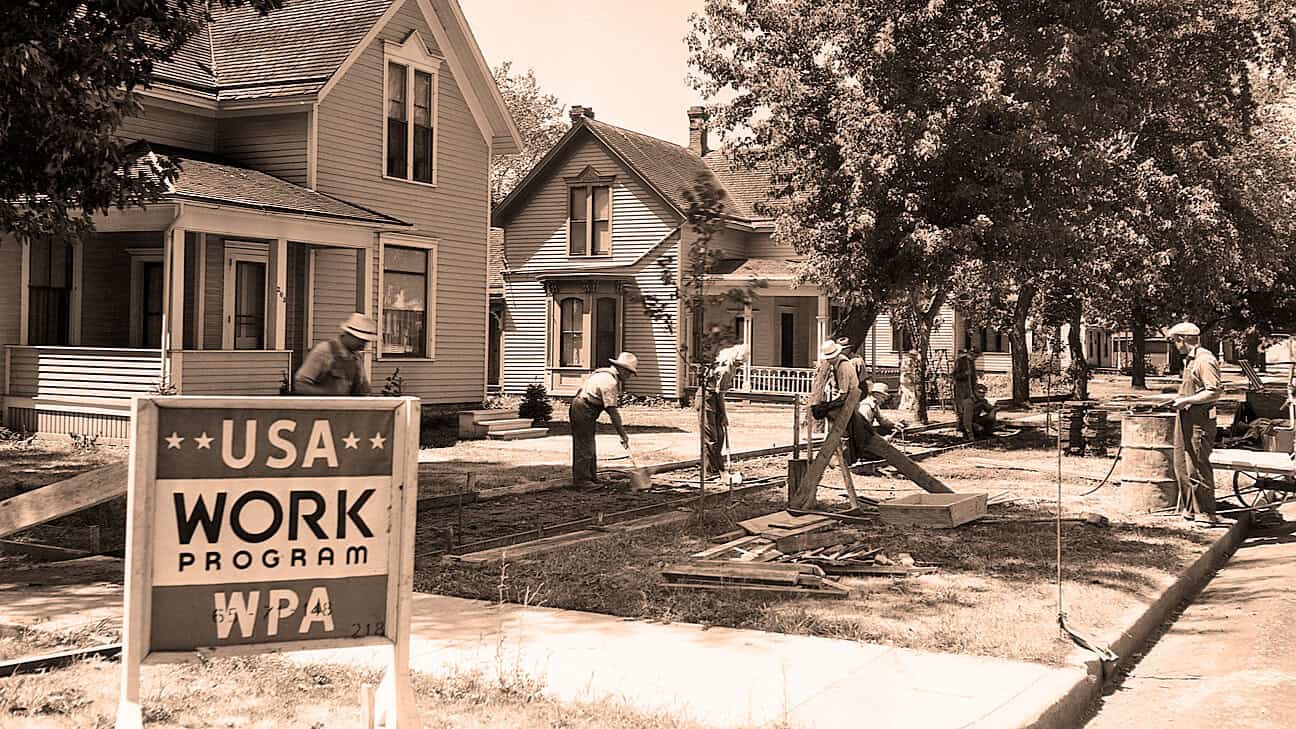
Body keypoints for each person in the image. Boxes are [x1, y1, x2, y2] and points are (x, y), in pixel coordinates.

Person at [1167, 322, 1223, 525]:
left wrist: (1186, 400)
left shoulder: (1204, 360)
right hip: (1187, 418)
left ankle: (1206, 513)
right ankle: (1190, 509)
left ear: (1181, 339)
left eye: (1174, 341)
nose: (1174, 345)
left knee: (1197, 465)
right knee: (1182, 464)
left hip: (1200, 421)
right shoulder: (1190, 360)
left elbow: (1214, 391)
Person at [569, 351, 638, 489]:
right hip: (583, 408)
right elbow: (612, 412)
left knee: (589, 444)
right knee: (584, 445)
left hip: (585, 408)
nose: (630, 376)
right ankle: (582, 481)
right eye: (629, 373)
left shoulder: (604, 375)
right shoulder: (609, 382)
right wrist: (622, 434)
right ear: (622, 370)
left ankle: (591, 478)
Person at [811, 339, 869, 464]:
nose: (828, 360)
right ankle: (834, 458)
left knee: (844, 430)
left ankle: (845, 459)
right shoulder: (837, 364)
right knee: (837, 428)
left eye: (830, 357)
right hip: (845, 398)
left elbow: (843, 394)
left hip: (849, 399)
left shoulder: (843, 367)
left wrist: (828, 406)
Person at [292, 312, 375, 395]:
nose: (363, 345)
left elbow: (363, 389)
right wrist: (329, 394)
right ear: (347, 335)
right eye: (360, 340)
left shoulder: (356, 358)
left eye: (365, 341)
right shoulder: (324, 351)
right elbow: (300, 385)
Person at [703, 343, 749, 477]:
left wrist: (722, 415)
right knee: (711, 437)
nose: (741, 365)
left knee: (720, 435)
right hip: (707, 399)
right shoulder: (725, 370)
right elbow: (719, 394)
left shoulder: (732, 369)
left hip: (715, 400)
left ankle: (718, 467)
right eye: (739, 362)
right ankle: (709, 471)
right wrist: (724, 415)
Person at [952, 348, 979, 439]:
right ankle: (962, 431)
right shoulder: (961, 361)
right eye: (974, 356)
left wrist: (975, 391)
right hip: (961, 391)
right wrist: (964, 374)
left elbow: (973, 379)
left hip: (970, 391)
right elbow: (954, 376)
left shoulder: (971, 363)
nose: (975, 358)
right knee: (961, 411)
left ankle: (970, 430)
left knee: (971, 411)